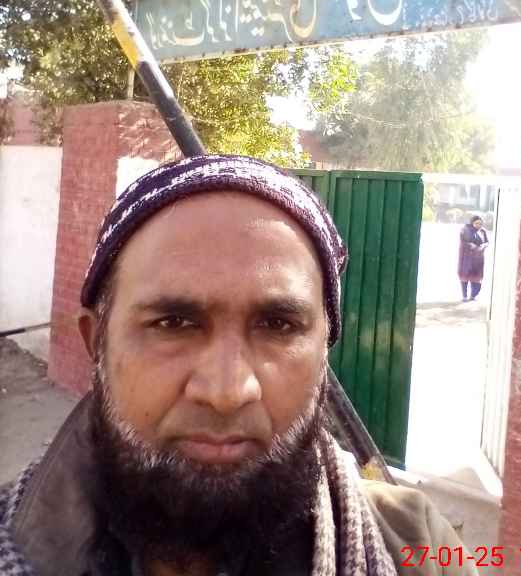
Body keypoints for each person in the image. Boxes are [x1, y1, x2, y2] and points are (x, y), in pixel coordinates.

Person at [0, 155, 476, 576]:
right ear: (96, 342)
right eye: (173, 323)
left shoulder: (418, 547)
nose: (227, 392)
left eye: (278, 325)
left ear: (323, 353)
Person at [458, 215, 489, 302]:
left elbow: (486, 241)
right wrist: (472, 246)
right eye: (476, 223)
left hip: (478, 259)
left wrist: (484, 245)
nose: (479, 225)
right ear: (472, 223)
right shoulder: (465, 230)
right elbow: (464, 241)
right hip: (467, 258)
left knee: (477, 278)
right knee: (465, 277)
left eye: (480, 223)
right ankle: (464, 296)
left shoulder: (482, 232)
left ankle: (473, 295)